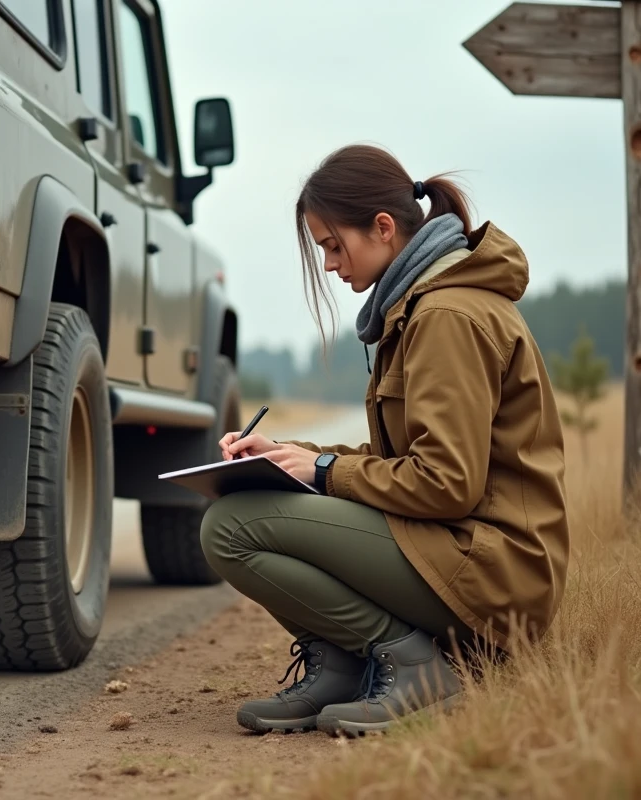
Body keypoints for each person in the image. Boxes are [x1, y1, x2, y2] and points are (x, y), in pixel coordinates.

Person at [199, 144, 569, 738]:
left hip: (495, 578)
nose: (328, 265)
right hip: (457, 554)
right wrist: (286, 455)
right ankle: (347, 666)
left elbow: (445, 484)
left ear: (383, 228)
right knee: (236, 508)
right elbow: (403, 462)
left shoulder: (448, 316)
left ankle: (414, 667)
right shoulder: (420, 308)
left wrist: (322, 471)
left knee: (231, 528)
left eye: (332, 245)